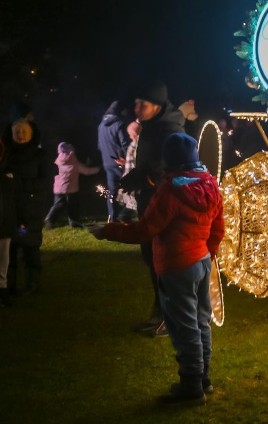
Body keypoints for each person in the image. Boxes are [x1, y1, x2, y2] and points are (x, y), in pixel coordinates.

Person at [91, 133, 224, 406]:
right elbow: (217, 228)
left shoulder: (171, 190)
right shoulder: (210, 184)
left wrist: (107, 231)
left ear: (170, 160)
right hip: (200, 260)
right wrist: (208, 254)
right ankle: (203, 379)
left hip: (177, 265)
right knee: (200, 322)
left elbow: (145, 229)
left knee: (184, 326)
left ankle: (191, 386)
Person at [119, 82, 186, 336]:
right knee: (151, 256)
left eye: (142, 104)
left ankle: (169, 317)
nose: (137, 108)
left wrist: (142, 179)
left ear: (157, 106)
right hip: (150, 200)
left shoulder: (169, 130)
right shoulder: (152, 126)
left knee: (163, 258)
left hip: (163, 202)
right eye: (136, 103)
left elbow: (164, 168)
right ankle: (160, 312)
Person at [0, 115, 49, 297]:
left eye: (24, 132)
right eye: (17, 132)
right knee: (10, 245)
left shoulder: (39, 155)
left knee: (29, 243)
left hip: (30, 209)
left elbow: (44, 181)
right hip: (10, 209)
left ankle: (32, 282)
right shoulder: (6, 154)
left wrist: (20, 185)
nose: (20, 134)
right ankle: (8, 282)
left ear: (31, 133)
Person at [44, 142, 101, 229]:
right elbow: (87, 171)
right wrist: (98, 169)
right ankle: (74, 223)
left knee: (58, 205)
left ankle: (50, 220)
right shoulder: (74, 162)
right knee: (73, 206)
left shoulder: (57, 161)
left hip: (58, 189)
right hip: (72, 189)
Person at [97, 100, 131, 223]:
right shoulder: (119, 124)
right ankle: (126, 215)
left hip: (107, 163)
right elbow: (125, 144)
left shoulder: (101, 125)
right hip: (120, 163)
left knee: (111, 192)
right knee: (129, 188)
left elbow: (99, 146)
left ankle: (112, 216)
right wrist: (129, 158)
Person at [115, 120, 141, 222]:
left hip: (133, 183)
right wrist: (125, 162)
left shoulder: (136, 145)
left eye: (130, 134)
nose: (129, 137)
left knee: (125, 216)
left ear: (134, 133)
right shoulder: (136, 144)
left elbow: (136, 164)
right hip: (132, 182)